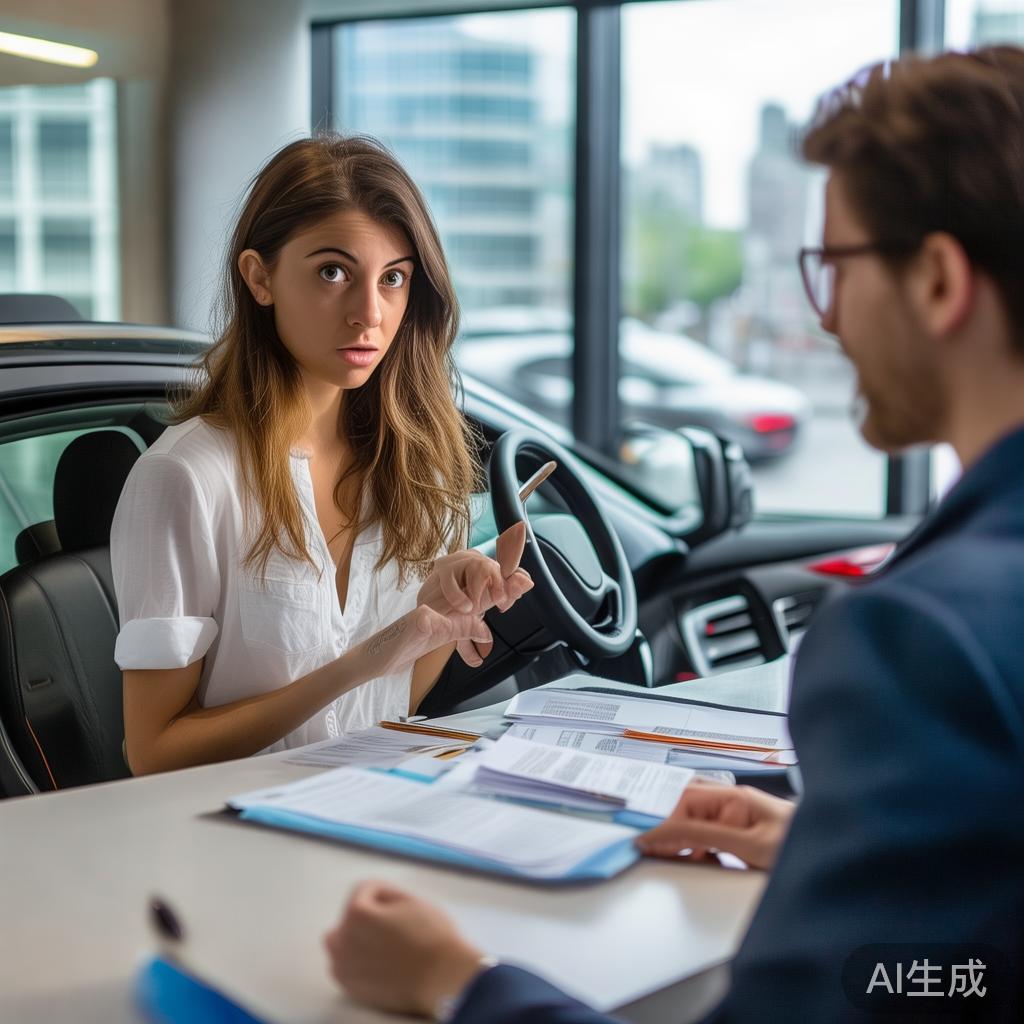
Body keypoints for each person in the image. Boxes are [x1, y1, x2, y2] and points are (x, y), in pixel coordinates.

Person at [324, 46, 1024, 1022]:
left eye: (833, 269)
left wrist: (456, 980)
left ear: (941, 281)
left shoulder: (921, 645)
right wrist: (838, 853)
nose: (826, 322)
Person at [111, 135, 533, 775]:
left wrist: (442, 621)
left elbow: (389, 708)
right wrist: (367, 657)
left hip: (372, 815)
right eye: (333, 272)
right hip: (233, 841)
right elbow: (153, 754)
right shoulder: (187, 477)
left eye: (393, 279)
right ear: (260, 277)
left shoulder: (423, 474)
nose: (369, 313)